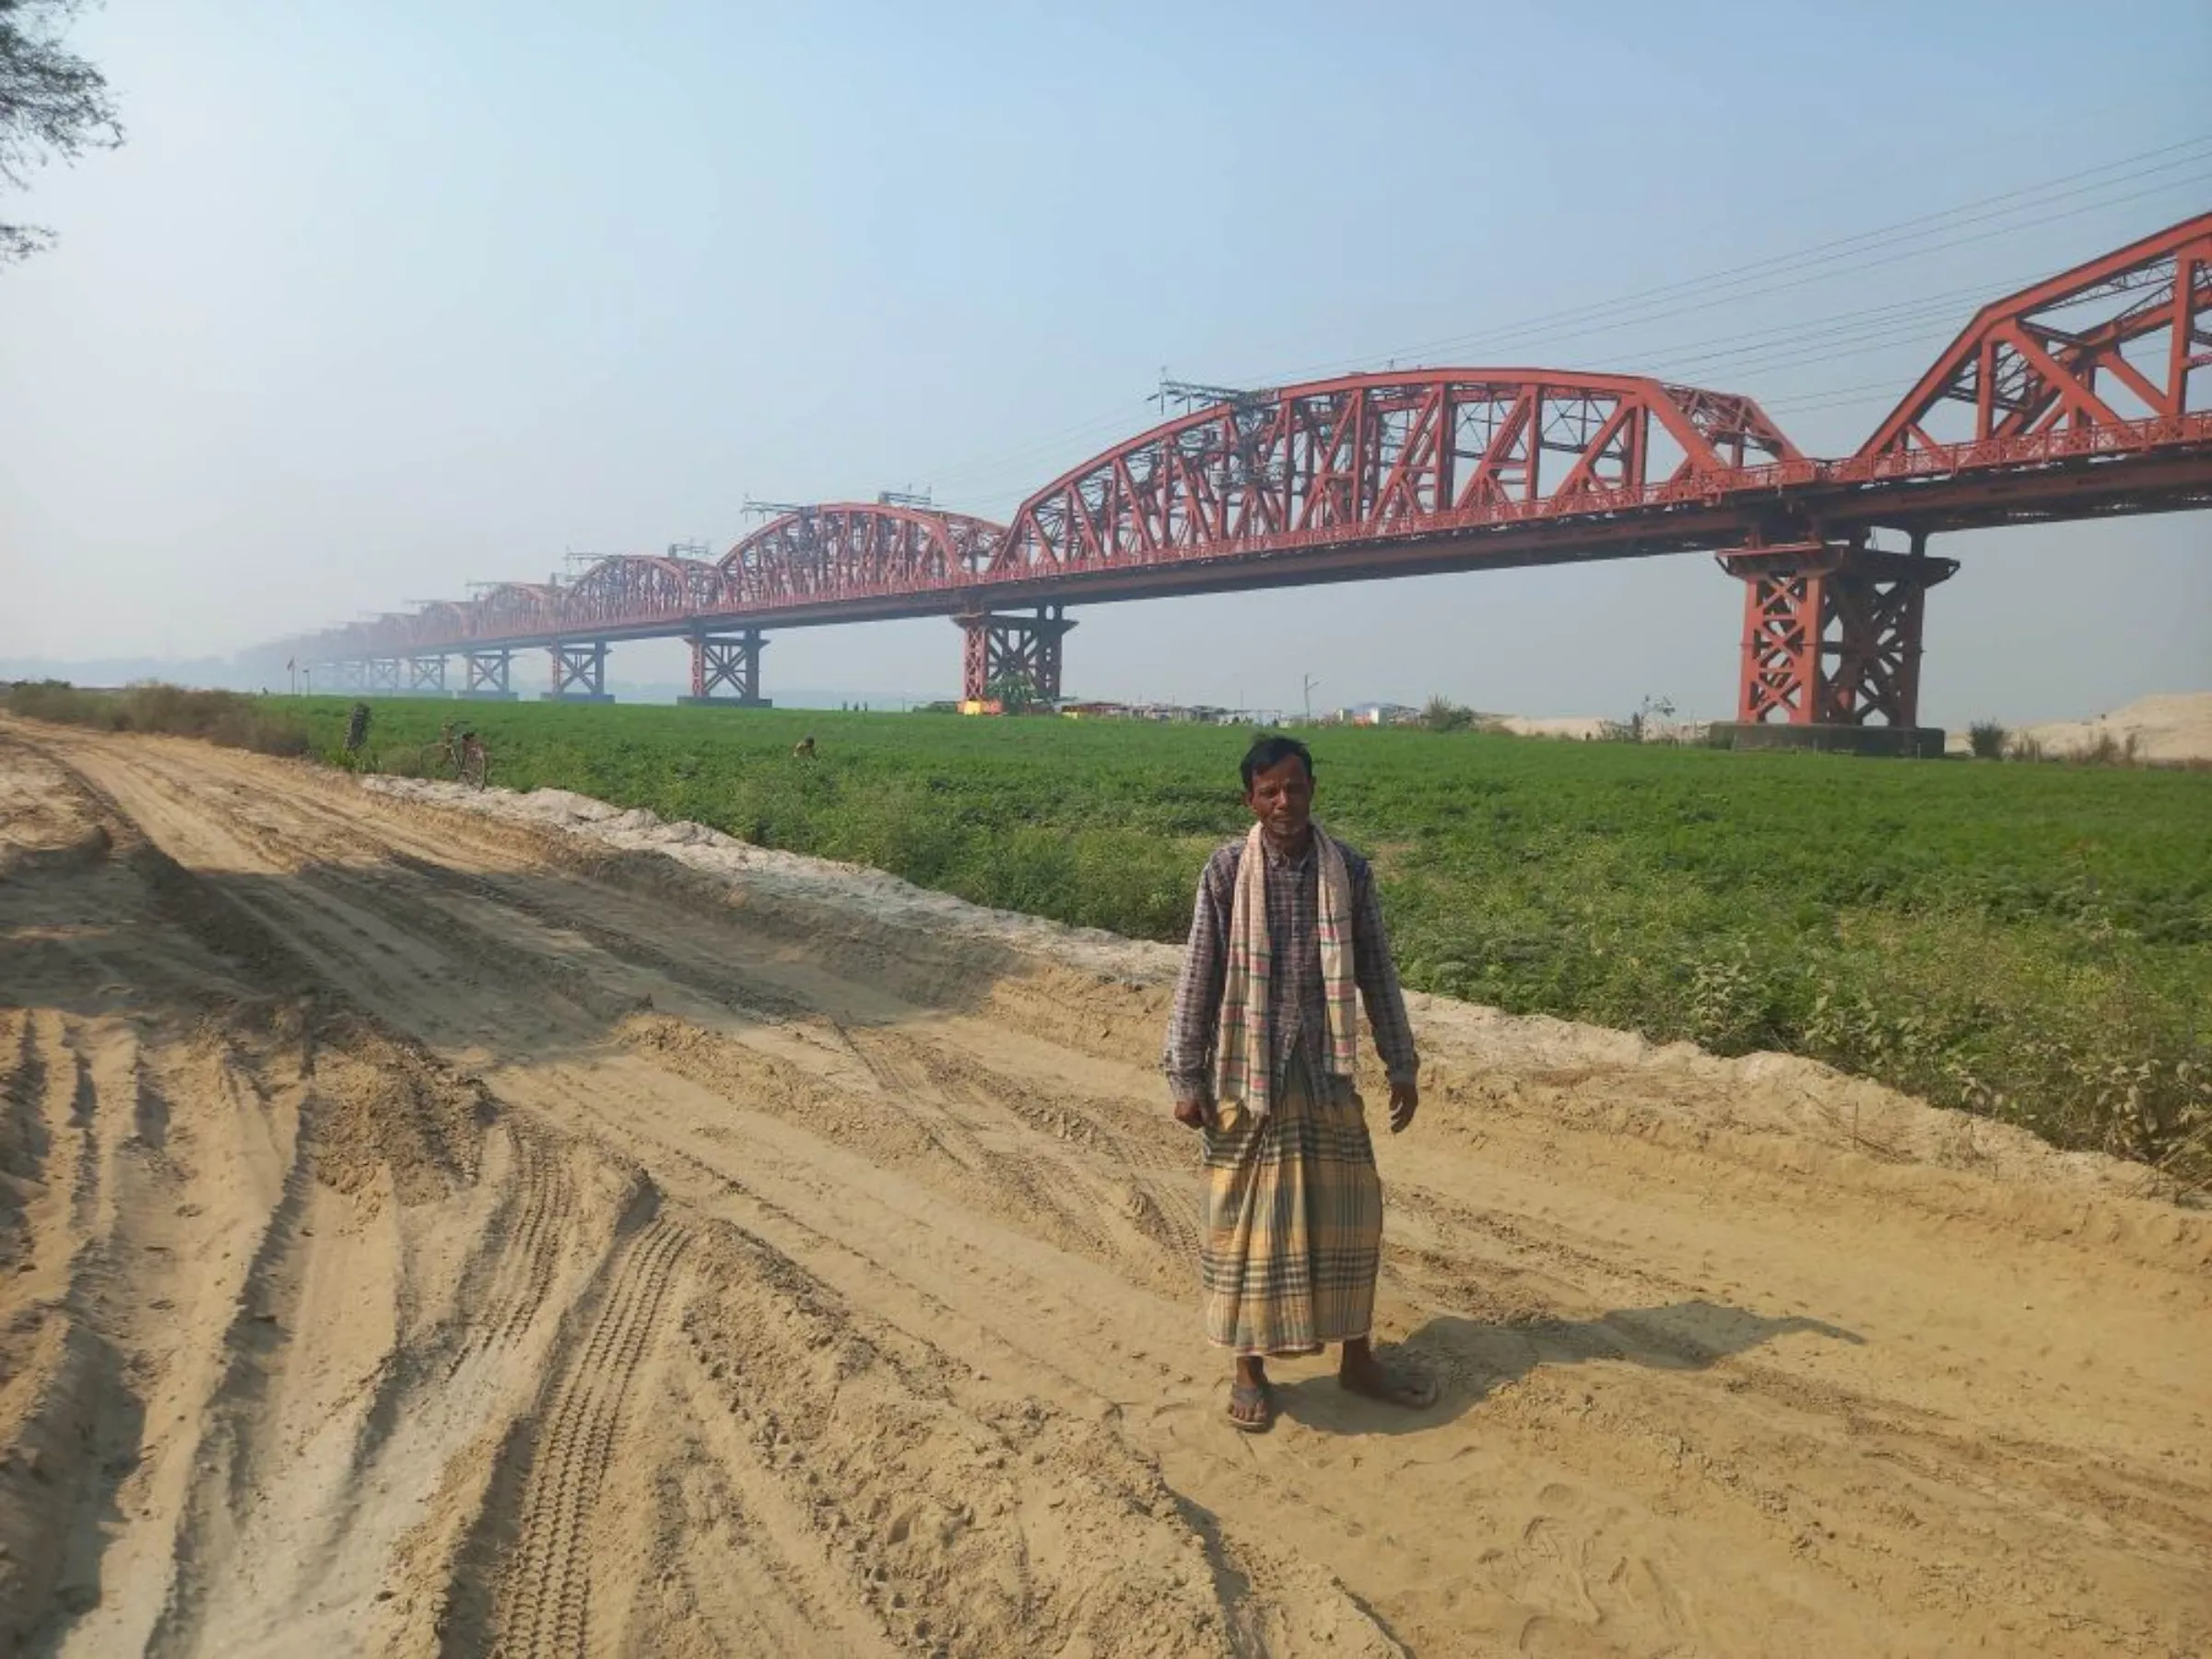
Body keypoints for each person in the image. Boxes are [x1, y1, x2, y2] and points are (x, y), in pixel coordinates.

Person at [1161, 734, 1433, 1431]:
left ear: (1314, 789)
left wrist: (1400, 1060)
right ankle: (1248, 1368)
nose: (1286, 802)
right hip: (1246, 1072)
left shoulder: (1350, 870)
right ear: (1249, 799)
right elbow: (1199, 976)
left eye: (1297, 787)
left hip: (1327, 1067)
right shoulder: (1225, 872)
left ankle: (1357, 1358)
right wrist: (1184, 1075)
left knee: (1349, 1218)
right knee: (1244, 1225)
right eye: (1270, 791)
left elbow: (1376, 969)